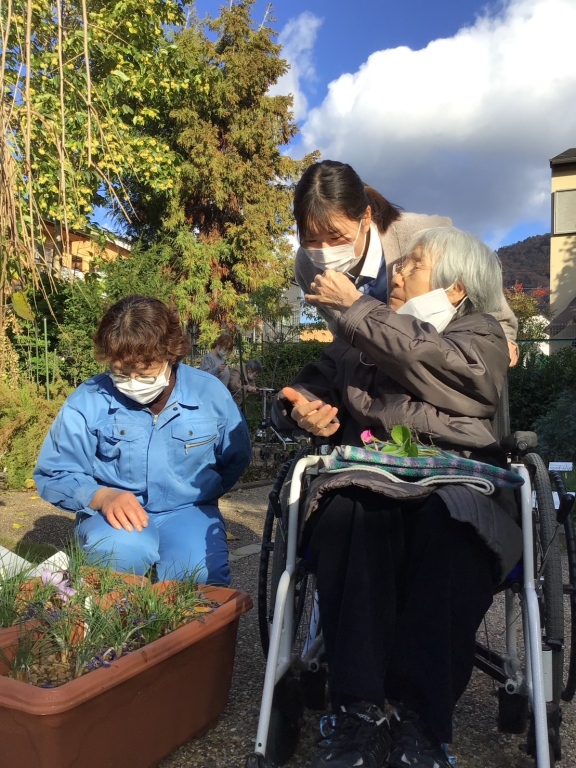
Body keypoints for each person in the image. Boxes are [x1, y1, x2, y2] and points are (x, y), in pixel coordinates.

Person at [273, 227, 523, 768]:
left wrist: (358, 310)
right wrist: (301, 409)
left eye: (414, 262)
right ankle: (356, 712)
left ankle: (422, 723)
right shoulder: (355, 340)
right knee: (349, 514)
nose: (398, 270)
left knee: (454, 530)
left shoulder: (480, 333)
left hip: (458, 480)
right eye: (400, 261)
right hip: (369, 472)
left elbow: (460, 376)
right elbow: (310, 385)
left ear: (455, 288)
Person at [34, 295, 251, 583]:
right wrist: (102, 496)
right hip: (114, 516)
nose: (132, 382)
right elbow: (55, 472)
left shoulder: (209, 393)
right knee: (118, 555)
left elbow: (236, 456)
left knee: (198, 577)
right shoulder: (89, 399)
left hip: (188, 510)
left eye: (144, 372)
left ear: (170, 354)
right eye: (121, 373)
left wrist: (202, 495)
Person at [294, 159, 519, 365]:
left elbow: (485, 295)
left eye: (336, 237)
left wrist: (502, 344)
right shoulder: (306, 264)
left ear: (366, 218)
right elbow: (343, 337)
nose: (325, 251)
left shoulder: (422, 235)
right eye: (310, 240)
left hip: (441, 365)